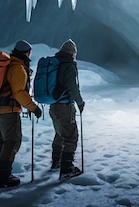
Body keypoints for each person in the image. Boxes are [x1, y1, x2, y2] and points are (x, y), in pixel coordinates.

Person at [0, 40, 42, 188]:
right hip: (8, 111)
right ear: (27, 52)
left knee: (1, 142)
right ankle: (3, 178)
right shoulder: (18, 67)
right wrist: (33, 108)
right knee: (12, 142)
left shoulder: (10, 65)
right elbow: (18, 92)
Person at [48, 39, 86, 180]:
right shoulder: (68, 66)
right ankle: (66, 169)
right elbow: (72, 87)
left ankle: (56, 162)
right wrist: (80, 103)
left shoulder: (55, 64)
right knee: (71, 137)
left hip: (54, 106)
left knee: (60, 133)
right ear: (72, 53)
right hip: (64, 107)